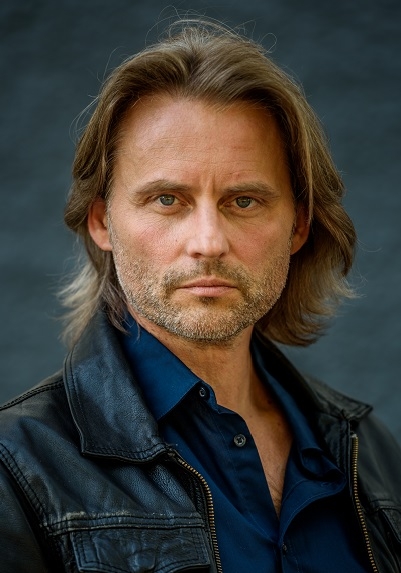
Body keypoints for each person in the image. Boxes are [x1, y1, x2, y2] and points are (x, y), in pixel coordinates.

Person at [1, 19, 400, 573]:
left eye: (244, 201)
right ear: (102, 222)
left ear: (298, 226)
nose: (208, 242)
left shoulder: (369, 453)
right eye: (168, 199)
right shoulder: (16, 467)